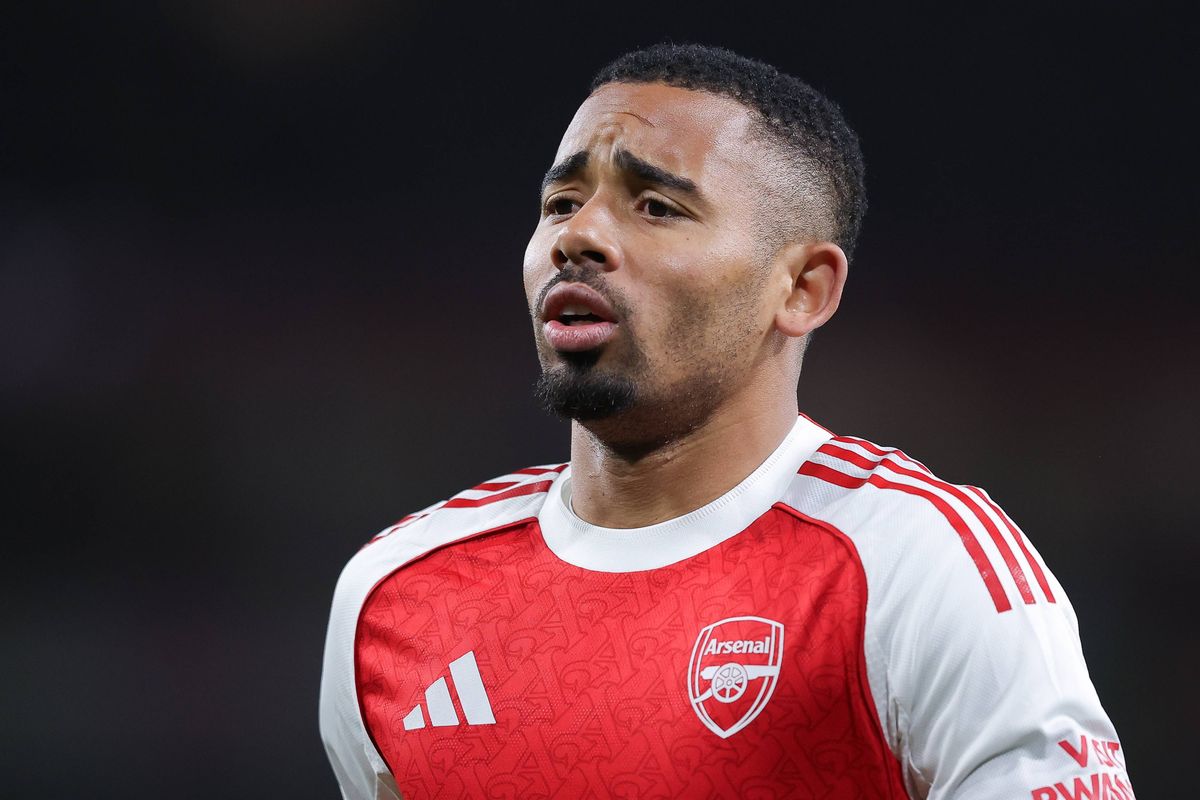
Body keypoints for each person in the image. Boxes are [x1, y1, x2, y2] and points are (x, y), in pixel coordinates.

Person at [319, 43, 1133, 799]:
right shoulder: (397, 595)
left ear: (802, 289)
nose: (580, 235)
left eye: (656, 207)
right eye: (562, 200)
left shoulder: (913, 562)